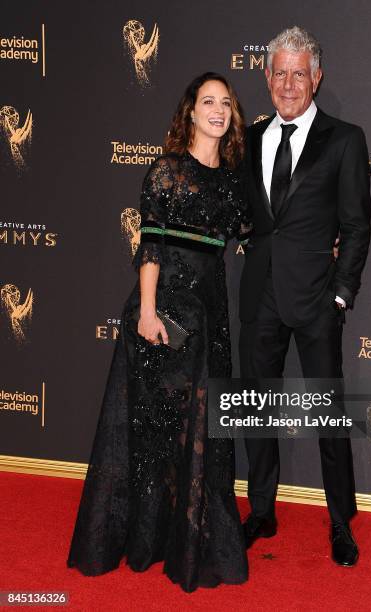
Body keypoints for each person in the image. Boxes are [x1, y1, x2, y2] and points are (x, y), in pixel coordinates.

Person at [67, 72, 250, 592]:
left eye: (225, 104)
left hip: (208, 320)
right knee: (152, 437)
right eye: (207, 102)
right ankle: (144, 540)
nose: (217, 110)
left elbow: (254, 234)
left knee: (200, 434)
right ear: (190, 113)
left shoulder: (232, 182)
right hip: (162, 314)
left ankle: (186, 541)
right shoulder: (166, 171)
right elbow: (149, 244)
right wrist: (146, 312)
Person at [239, 27, 371, 566]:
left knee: (330, 419)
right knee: (257, 411)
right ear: (267, 77)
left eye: (299, 73)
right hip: (259, 297)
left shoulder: (344, 139)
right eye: (279, 73)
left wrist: (340, 295)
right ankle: (262, 510)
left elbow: (357, 225)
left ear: (317, 77)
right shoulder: (248, 140)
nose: (289, 84)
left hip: (317, 299)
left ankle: (341, 522)